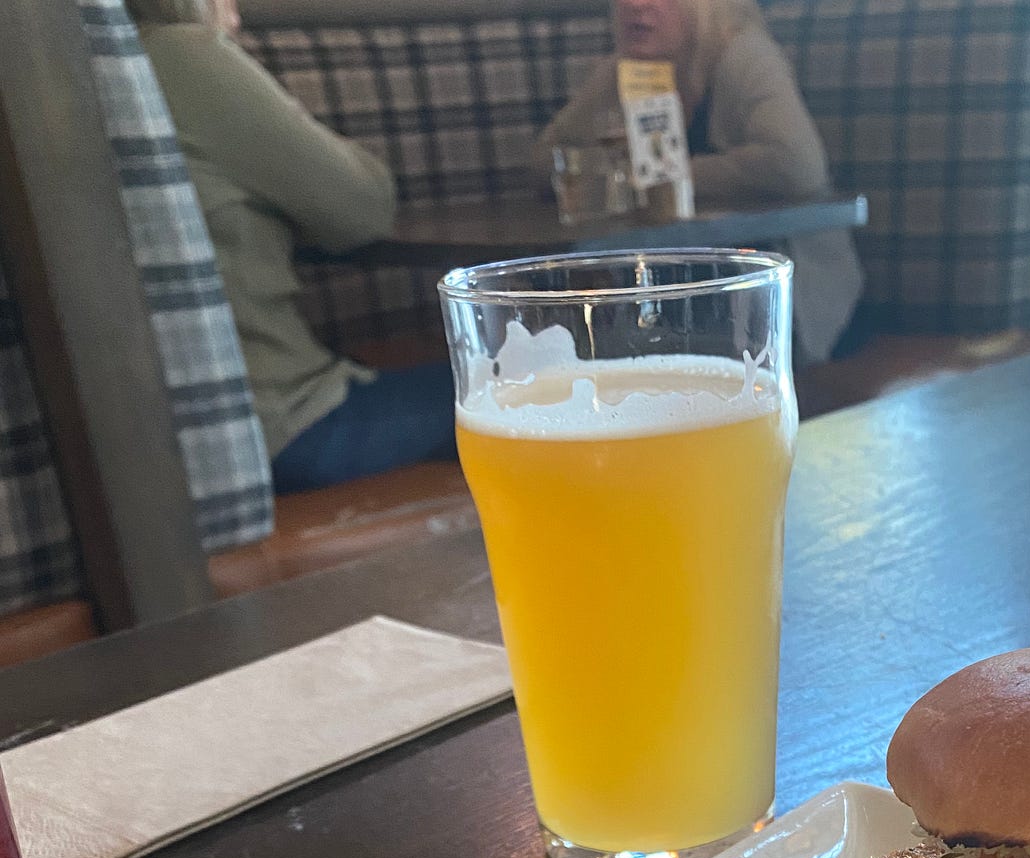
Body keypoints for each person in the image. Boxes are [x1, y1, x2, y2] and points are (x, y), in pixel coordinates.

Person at [131, 0, 457, 493]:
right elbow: (363, 208)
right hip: (277, 430)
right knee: (545, 393)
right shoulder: (176, 55)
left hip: (147, 449)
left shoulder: (50, 73)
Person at [537, 0, 862, 361]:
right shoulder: (623, 70)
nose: (636, 5)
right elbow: (543, 160)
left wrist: (665, 175)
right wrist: (609, 168)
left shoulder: (741, 55)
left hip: (785, 299)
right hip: (664, 293)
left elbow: (797, 164)